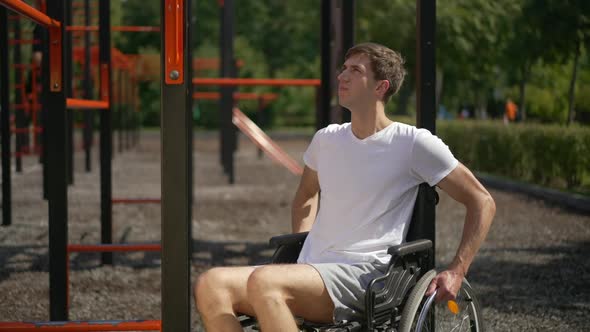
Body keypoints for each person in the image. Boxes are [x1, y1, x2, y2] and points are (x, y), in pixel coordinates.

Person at [194, 42, 496, 331]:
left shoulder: (413, 143)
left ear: (381, 87)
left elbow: (481, 201)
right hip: (311, 271)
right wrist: (302, 243)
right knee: (211, 284)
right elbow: (306, 195)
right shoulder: (326, 139)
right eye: (343, 68)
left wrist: (457, 270)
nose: (342, 75)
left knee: (265, 281)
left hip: (365, 275)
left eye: (355, 70)